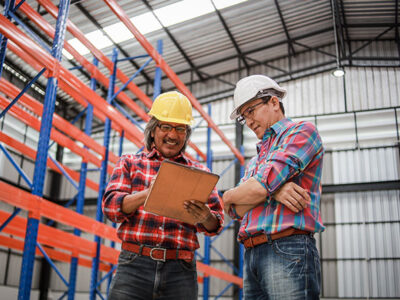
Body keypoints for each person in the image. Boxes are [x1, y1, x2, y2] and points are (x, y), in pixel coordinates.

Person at [103, 91, 224, 300]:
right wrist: (147, 194)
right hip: (134, 265)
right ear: (152, 130)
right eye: (165, 126)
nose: (173, 135)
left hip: (180, 270)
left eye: (180, 128)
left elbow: (216, 224)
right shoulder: (130, 163)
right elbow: (111, 208)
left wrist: (205, 217)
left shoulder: (199, 172)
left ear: (186, 134)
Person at [223, 74, 325, 299]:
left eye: (251, 111)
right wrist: (274, 190)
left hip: (288, 248)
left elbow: (256, 189)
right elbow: (233, 210)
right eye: (243, 117)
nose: (248, 122)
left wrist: (236, 193)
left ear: (273, 102)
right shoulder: (255, 161)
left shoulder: (301, 132)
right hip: (251, 254)